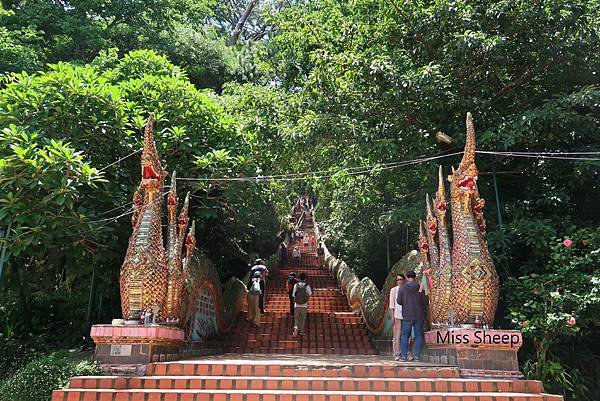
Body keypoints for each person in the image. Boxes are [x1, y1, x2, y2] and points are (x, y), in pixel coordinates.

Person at [396, 270, 426, 362]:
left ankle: (403, 356)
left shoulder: (402, 288)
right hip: (418, 315)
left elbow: (399, 301)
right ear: (415, 277)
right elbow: (423, 301)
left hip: (407, 315)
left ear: (407, 277)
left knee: (405, 336)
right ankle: (416, 356)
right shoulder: (419, 287)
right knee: (418, 335)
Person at [388, 274, 405, 361]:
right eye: (398, 280)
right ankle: (396, 353)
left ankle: (405, 352)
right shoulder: (393, 290)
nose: (399, 281)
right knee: (396, 335)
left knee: (405, 335)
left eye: (401, 279)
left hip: (406, 315)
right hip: (397, 315)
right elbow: (391, 305)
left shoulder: (406, 289)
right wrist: (392, 316)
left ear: (404, 280)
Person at [292, 272, 312, 337]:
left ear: (299, 278)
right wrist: (306, 300)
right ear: (305, 278)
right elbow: (310, 294)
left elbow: (293, 295)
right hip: (304, 305)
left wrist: (295, 301)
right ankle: (301, 331)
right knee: (302, 318)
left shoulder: (296, 285)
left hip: (296, 304)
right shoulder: (307, 286)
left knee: (296, 318)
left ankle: (296, 327)